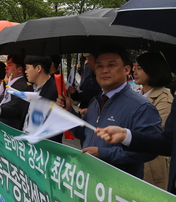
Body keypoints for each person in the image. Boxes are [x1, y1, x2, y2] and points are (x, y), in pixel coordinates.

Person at [57, 46, 163, 179]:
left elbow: (150, 150)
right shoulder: (95, 102)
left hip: (118, 189)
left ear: (126, 70)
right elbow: (84, 133)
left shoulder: (141, 107)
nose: (104, 71)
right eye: (99, 66)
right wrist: (68, 112)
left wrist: (103, 153)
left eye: (111, 65)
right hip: (89, 182)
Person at [133, 52, 173, 189]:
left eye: (139, 68)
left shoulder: (164, 99)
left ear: (152, 69)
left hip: (152, 167)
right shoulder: (136, 94)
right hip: (134, 160)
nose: (135, 71)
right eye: (135, 67)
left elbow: (156, 132)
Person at [0, 55, 33, 130]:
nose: (6, 67)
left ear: (19, 69)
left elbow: (12, 109)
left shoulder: (20, 87)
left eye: (9, 65)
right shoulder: (11, 84)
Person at [23, 55, 62, 143]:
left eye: (27, 68)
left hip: (43, 147)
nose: (25, 71)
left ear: (38, 68)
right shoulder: (29, 89)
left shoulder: (55, 91)